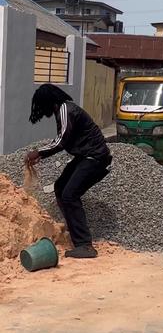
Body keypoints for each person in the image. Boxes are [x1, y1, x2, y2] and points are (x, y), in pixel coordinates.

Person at [26, 84, 112, 258]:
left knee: (70, 195)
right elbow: (63, 141)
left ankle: (85, 245)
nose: (42, 110)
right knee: (60, 187)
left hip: (95, 158)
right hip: (85, 156)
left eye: (42, 105)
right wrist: (41, 156)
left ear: (50, 102)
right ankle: (76, 236)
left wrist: (38, 152)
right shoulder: (63, 111)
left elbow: (61, 141)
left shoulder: (66, 110)